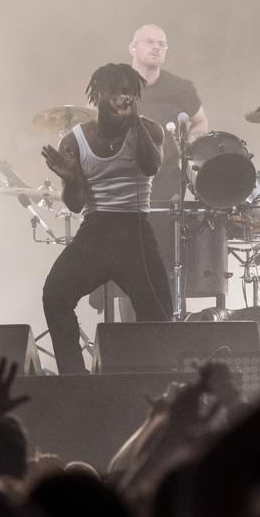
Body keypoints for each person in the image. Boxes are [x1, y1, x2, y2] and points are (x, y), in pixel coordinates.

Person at [41, 63, 173, 374]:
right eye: (114, 94)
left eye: (128, 94)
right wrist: (72, 179)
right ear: (97, 96)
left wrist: (134, 122)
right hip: (96, 230)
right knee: (55, 295)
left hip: (135, 229)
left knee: (160, 313)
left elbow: (151, 166)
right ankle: (74, 378)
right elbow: (74, 206)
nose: (120, 100)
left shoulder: (148, 130)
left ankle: (148, 381)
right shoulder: (74, 141)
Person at [129, 24, 208, 202]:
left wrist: (187, 155)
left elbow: (200, 122)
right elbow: (91, 121)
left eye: (161, 44)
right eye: (149, 42)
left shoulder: (180, 88)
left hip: (168, 179)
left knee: (166, 228)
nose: (156, 47)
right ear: (132, 47)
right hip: (122, 177)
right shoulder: (113, 85)